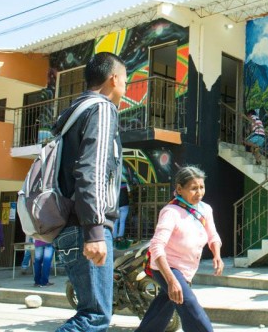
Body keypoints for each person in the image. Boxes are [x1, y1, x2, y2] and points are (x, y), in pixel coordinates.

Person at [51, 52, 127, 331]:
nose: (126, 88)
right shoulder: (103, 108)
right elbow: (91, 169)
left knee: (90, 313)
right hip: (87, 225)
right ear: (114, 78)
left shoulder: (74, 110)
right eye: (126, 81)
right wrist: (95, 230)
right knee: (94, 317)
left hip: (69, 226)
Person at [136, 166, 224, 332]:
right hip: (167, 268)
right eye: (193, 188)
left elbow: (213, 236)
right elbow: (156, 246)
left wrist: (217, 255)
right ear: (179, 189)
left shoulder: (205, 209)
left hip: (186, 270)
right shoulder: (171, 212)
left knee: (161, 311)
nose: (199, 192)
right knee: (191, 307)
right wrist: (171, 280)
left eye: (201, 187)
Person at [113, 178, 130, 243]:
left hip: (117, 206)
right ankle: (120, 236)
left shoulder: (115, 185)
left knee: (115, 222)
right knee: (122, 221)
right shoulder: (126, 184)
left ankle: (114, 236)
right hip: (125, 205)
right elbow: (129, 193)